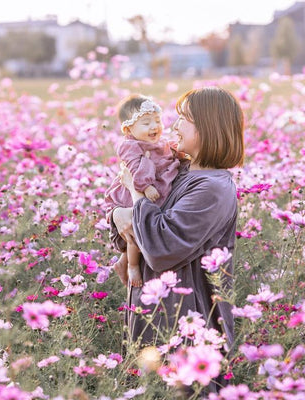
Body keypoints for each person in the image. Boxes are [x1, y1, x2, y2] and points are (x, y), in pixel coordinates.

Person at [111, 86, 244, 364]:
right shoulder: (179, 170)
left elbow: (161, 247)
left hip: (187, 325)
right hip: (155, 312)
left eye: (184, 118)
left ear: (209, 127)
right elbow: (130, 220)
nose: (173, 126)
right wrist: (117, 215)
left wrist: (135, 197)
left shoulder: (213, 188)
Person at [105, 94, 180, 287]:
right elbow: (134, 169)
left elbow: (166, 152)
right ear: (128, 129)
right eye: (146, 123)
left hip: (148, 189)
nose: (155, 127)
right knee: (137, 231)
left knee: (144, 224)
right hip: (135, 192)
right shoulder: (129, 145)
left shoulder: (155, 142)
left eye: (157, 121)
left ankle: (123, 261)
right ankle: (131, 265)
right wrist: (145, 186)